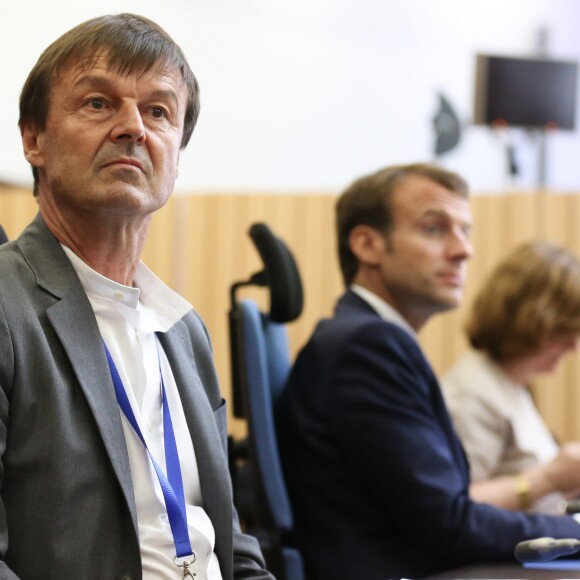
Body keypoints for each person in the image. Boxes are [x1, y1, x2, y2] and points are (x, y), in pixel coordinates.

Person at [0, 13, 273, 580]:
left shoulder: (184, 328)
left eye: (158, 111)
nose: (134, 128)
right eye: (98, 103)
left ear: (176, 151)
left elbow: (228, 536)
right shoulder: (7, 308)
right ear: (34, 139)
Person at [276, 163, 580, 580]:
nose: (463, 250)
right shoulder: (368, 347)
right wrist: (572, 536)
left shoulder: (369, 340)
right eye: (436, 229)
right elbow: (449, 525)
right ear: (367, 244)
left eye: (466, 231)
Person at [442, 241, 580, 514]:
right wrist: (550, 477)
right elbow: (455, 507)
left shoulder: (511, 384)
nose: (573, 347)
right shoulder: (472, 393)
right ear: (533, 322)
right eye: (564, 332)